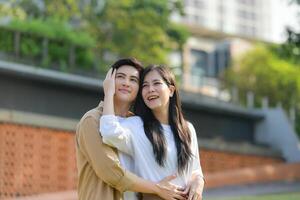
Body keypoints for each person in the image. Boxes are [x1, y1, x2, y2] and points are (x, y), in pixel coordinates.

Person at [75, 59, 186, 200]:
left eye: (133, 79)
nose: (126, 83)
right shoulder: (92, 120)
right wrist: (157, 188)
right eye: (120, 77)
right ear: (109, 82)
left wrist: (197, 180)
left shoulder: (137, 124)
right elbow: (111, 172)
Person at [100, 65, 205, 200]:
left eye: (156, 83)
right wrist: (109, 92)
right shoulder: (136, 126)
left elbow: (195, 169)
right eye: (145, 85)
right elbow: (108, 132)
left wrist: (199, 181)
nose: (150, 89)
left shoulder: (188, 129)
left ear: (171, 90)